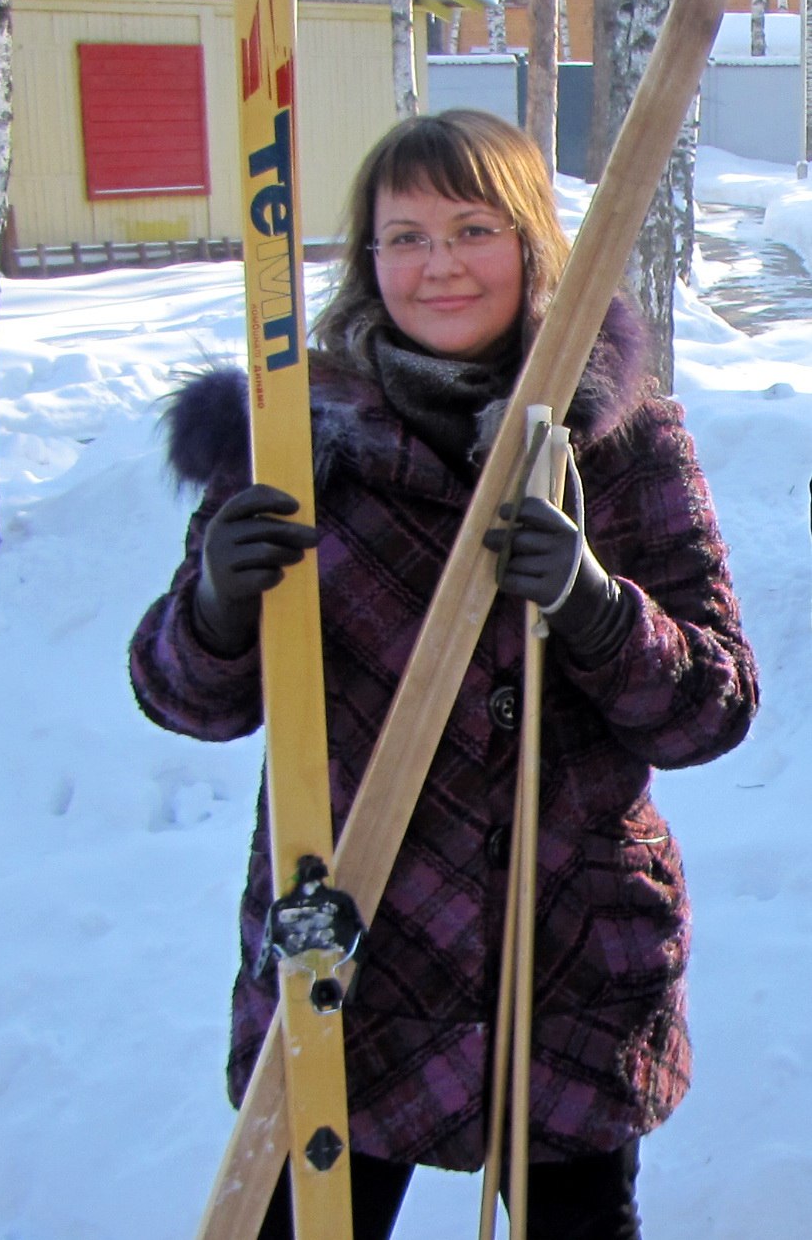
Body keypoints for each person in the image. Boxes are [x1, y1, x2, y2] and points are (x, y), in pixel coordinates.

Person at [129, 110, 758, 1239]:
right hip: (355, 952)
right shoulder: (292, 437)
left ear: (529, 241)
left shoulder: (620, 441)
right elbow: (185, 697)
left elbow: (711, 708)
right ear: (367, 258)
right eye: (405, 237)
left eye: (473, 229)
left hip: (565, 958)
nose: (440, 266)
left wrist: (595, 607)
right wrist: (217, 606)